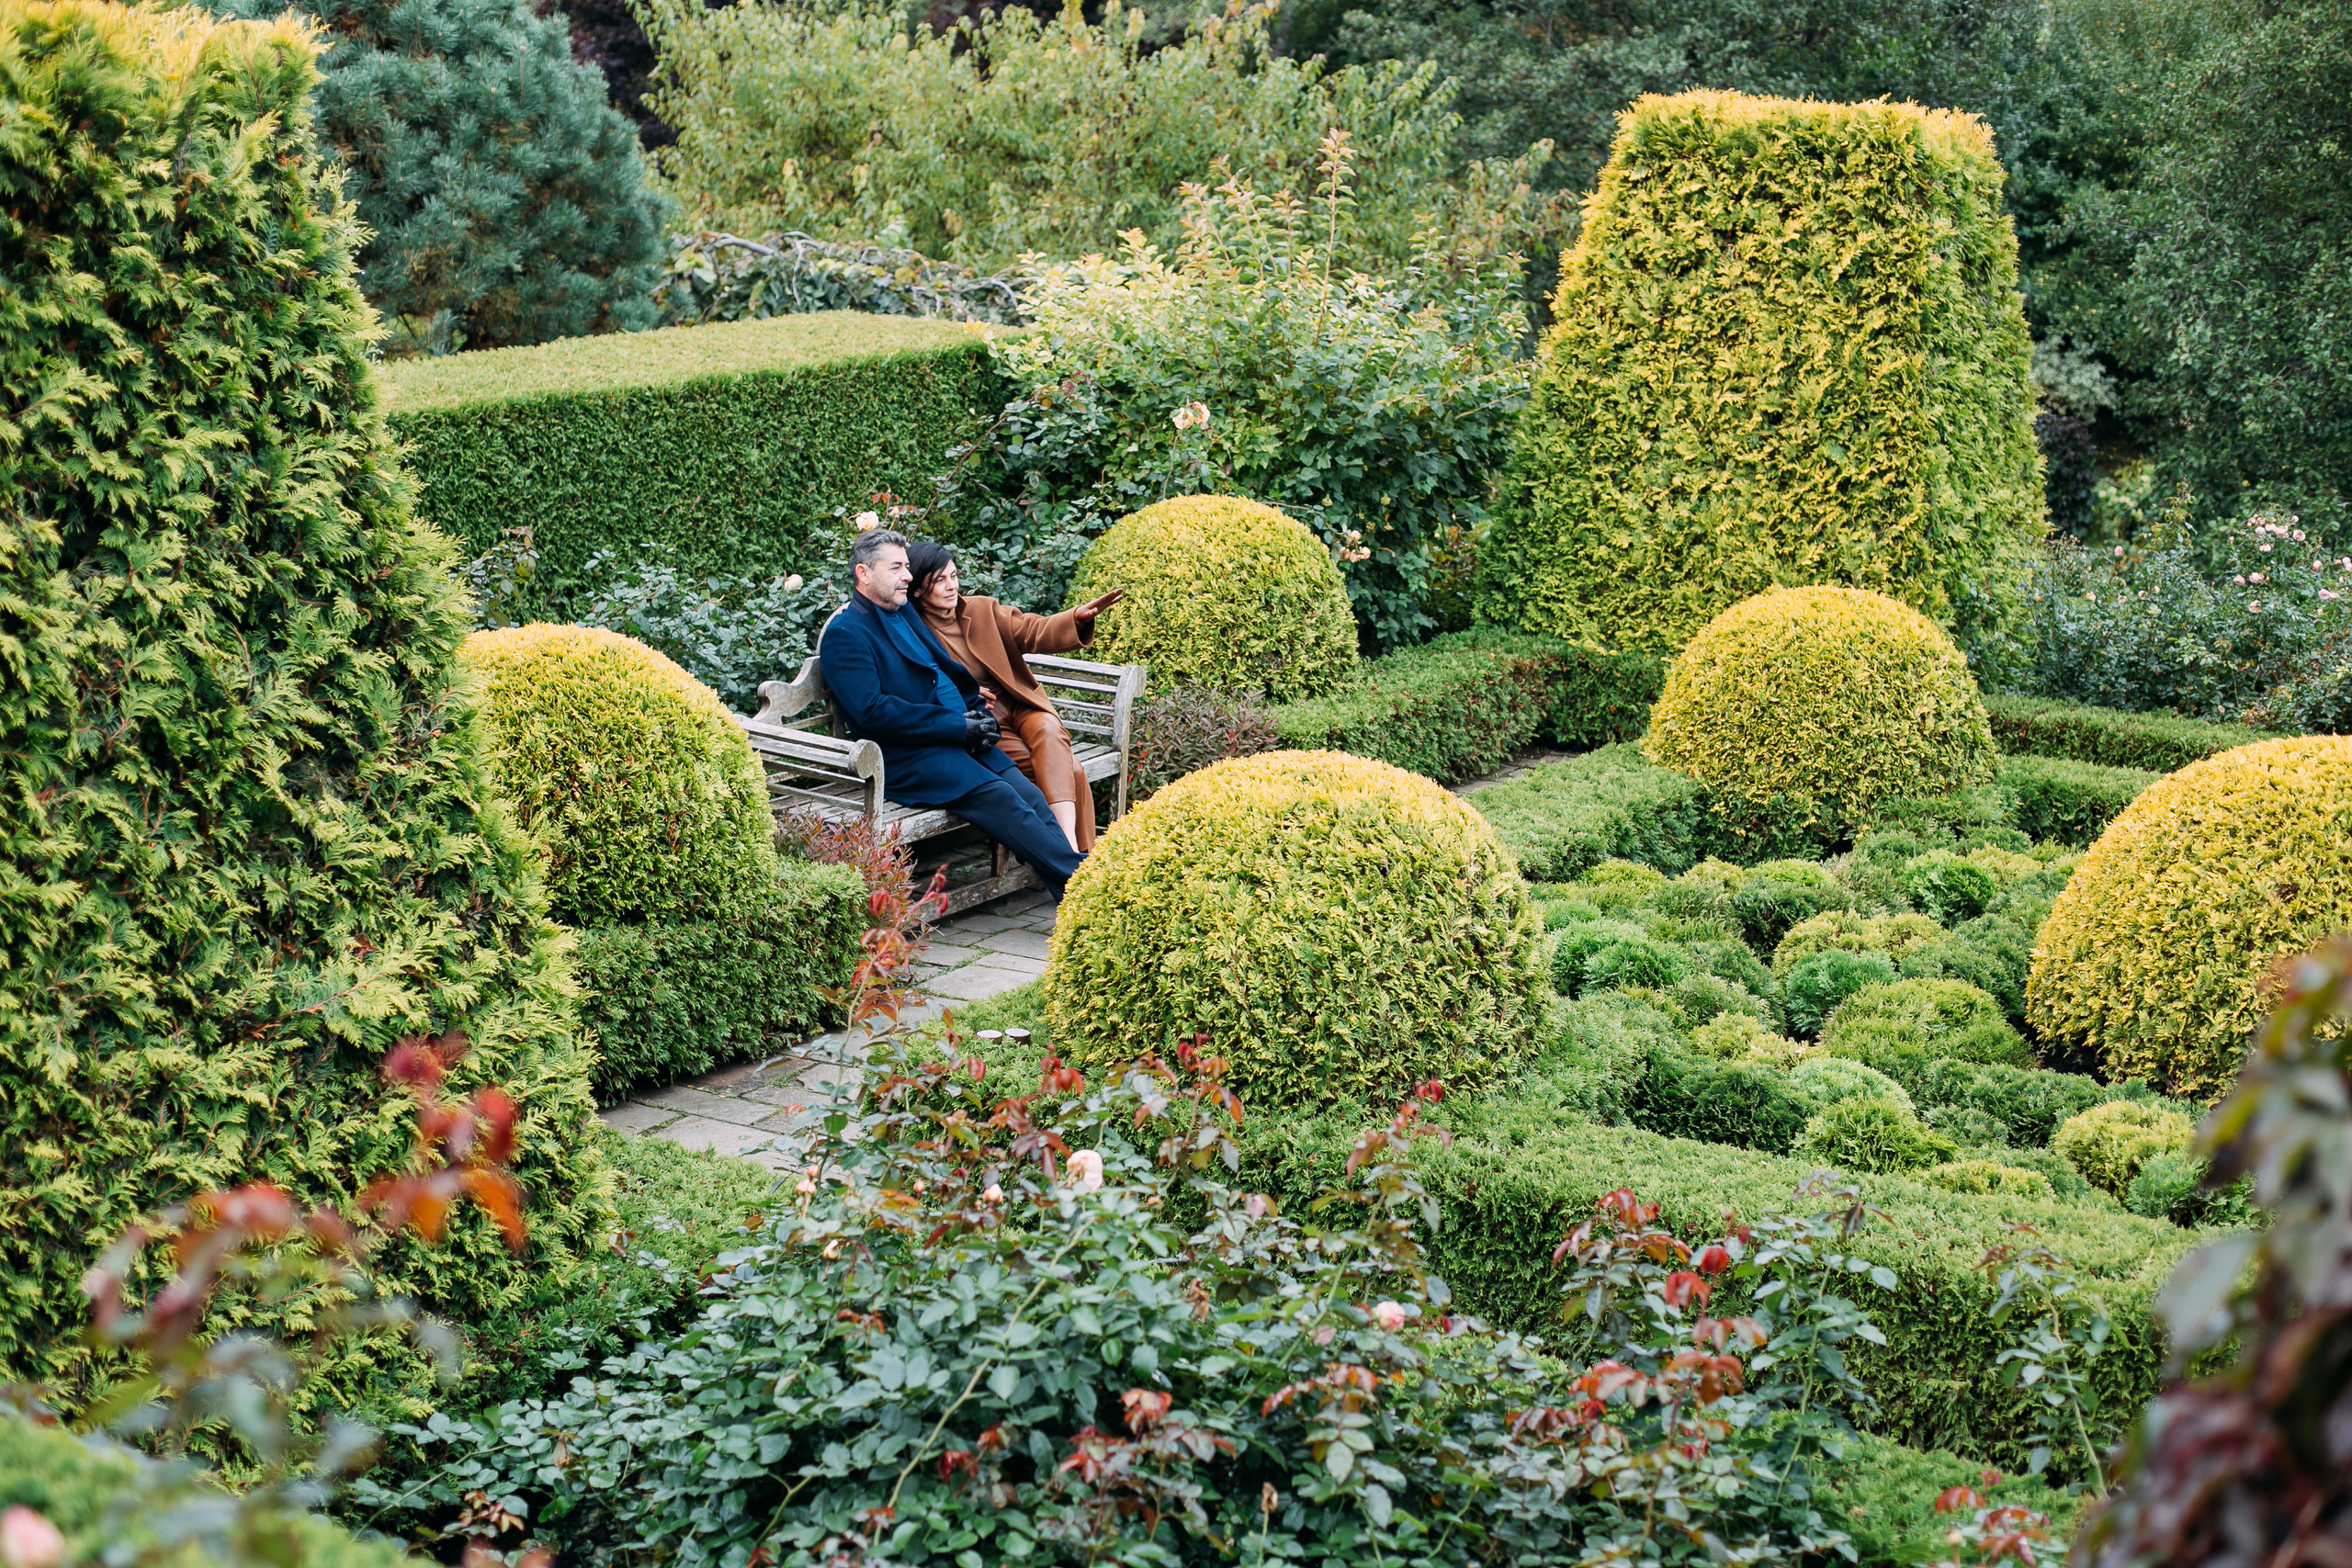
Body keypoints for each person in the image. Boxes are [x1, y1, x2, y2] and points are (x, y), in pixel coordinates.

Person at [819, 529, 1085, 897]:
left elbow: (943, 668)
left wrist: (977, 712)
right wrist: (956, 726)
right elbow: (872, 712)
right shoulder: (846, 632)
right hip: (903, 757)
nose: (908, 577)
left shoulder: (903, 611)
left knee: (1030, 795)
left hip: (956, 738)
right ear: (864, 574)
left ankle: (1073, 896)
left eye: (907, 567)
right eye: (896, 567)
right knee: (1002, 798)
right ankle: (1087, 885)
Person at [905, 541, 1124, 853]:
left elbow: (1031, 630)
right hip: (987, 722)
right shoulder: (914, 633)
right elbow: (920, 683)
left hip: (1022, 704)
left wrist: (1075, 618)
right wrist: (960, 691)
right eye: (940, 580)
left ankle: (1069, 853)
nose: (951, 586)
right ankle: (1080, 860)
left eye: (954, 576)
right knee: (1072, 771)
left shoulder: (982, 610)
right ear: (917, 590)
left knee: (1049, 731)